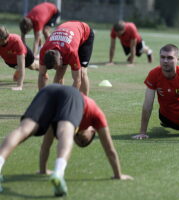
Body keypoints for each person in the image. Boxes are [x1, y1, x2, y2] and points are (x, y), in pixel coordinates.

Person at [0, 84, 133, 196]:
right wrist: (118, 174)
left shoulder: (63, 118)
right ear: (93, 130)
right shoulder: (96, 115)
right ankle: (59, 173)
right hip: (71, 94)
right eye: (84, 140)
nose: (80, 139)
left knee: (24, 129)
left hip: (49, 91)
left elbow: (46, 145)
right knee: (65, 132)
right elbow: (109, 149)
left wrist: (43, 170)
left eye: (79, 142)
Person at [38, 21, 94, 96]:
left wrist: (70, 100)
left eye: (56, 66)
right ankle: (57, 98)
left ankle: (84, 102)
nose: (55, 69)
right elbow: (42, 74)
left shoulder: (71, 52)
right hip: (68, 34)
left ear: (61, 58)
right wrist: (42, 97)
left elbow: (77, 80)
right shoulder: (44, 50)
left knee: (82, 73)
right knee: (59, 73)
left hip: (84, 33)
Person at [0, 26, 40, 91]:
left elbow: (21, 65)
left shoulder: (16, 41)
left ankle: (43, 68)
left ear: (6, 38)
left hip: (26, 56)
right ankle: (17, 69)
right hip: (10, 60)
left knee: (32, 66)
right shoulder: (2, 41)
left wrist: (19, 86)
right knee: (19, 68)